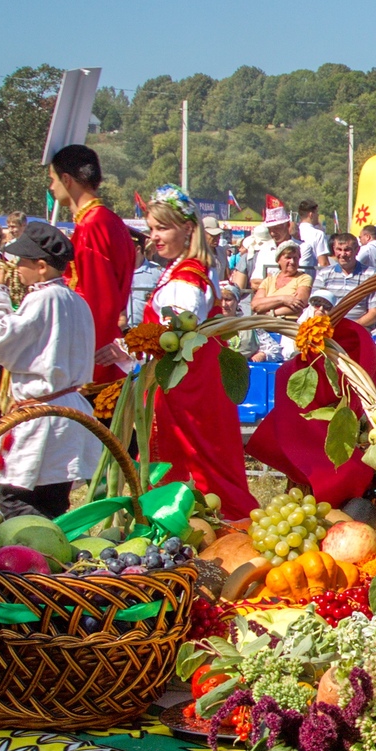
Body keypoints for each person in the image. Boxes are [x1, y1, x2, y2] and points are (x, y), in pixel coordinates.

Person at [127, 188, 258, 517]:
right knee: (203, 464)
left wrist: (133, 345)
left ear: (187, 228)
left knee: (197, 465)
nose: (153, 237)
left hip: (186, 389)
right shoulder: (182, 269)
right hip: (192, 383)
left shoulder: (185, 278)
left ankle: (200, 524)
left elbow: (178, 334)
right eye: (152, 229)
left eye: (162, 228)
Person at [0, 221, 103, 520]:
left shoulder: (43, 299)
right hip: (67, 413)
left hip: (42, 415)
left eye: (22, 262)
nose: (16, 268)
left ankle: (29, 555)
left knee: (17, 500)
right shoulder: (76, 301)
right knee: (54, 500)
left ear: (41, 266)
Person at [48, 145, 135, 394]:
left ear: (67, 179)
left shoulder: (92, 225)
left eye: (53, 180)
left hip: (95, 359)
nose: (52, 187)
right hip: (104, 348)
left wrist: (80, 360)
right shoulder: (108, 220)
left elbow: (95, 298)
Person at [249, 242, 313, 320]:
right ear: (278, 260)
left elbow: (299, 305)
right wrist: (283, 299)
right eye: (288, 257)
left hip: (289, 323)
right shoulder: (269, 280)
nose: (292, 262)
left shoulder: (304, 278)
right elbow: (255, 305)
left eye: (295, 258)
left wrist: (270, 313)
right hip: (266, 323)